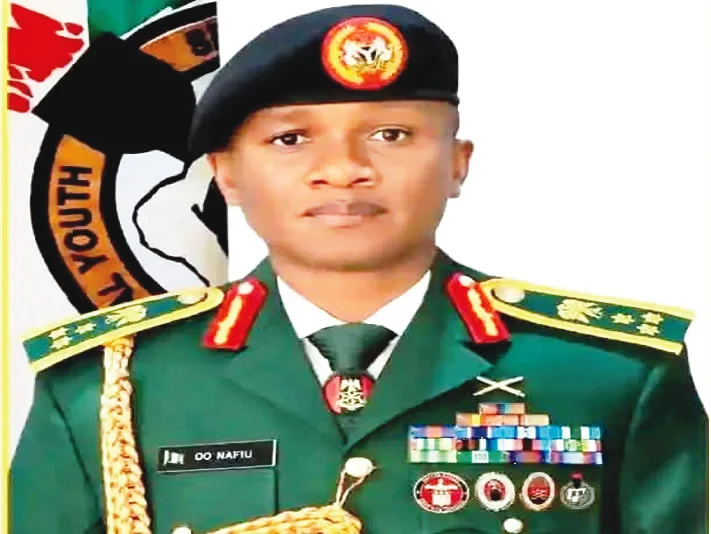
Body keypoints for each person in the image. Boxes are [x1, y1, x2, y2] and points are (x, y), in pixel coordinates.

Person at [11, 4, 707, 534]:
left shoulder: (610, 374)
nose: (343, 169)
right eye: (291, 138)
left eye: (390, 134)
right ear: (225, 174)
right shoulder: (107, 385)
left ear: (457, 163)